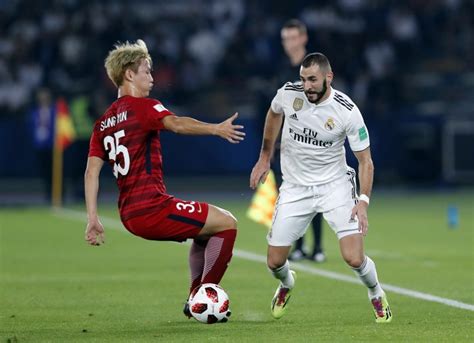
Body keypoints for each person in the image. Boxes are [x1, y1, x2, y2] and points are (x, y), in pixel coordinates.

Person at [84, 39, 245, 321]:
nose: (152, 77)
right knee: (228, 223)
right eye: (146, 70)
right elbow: (178, 124)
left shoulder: (102, 123)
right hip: (152, 208)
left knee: (205, 229)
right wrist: (215, 128)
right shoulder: (144, 107)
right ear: (129, 75)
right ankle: (202, 299)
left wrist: (93, 218)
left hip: (129, 214)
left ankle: (194, 297)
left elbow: (91, 172)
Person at [250, 52, 392, 323]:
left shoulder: (346, 110)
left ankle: (375, 292)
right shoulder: (289, 94)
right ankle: (287, 284)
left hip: (335, 187)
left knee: (353, 258)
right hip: (295, 188)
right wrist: (264, 157)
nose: (307, 86)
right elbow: (273, 113)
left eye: (313, 80)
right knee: (274, 262)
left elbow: (366, 162)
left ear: (329, 77)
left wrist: (363, 201)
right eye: (303, 79)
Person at [279, 19, 325, 263]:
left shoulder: (315, 66)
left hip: (311, 141)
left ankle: (317, 246)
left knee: (315, 193)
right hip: (285, 144)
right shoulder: (279, 69)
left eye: (293, 37)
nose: (289, 43)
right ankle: (298, 245)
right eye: (285, 38)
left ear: (303, 38)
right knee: (291, 196)